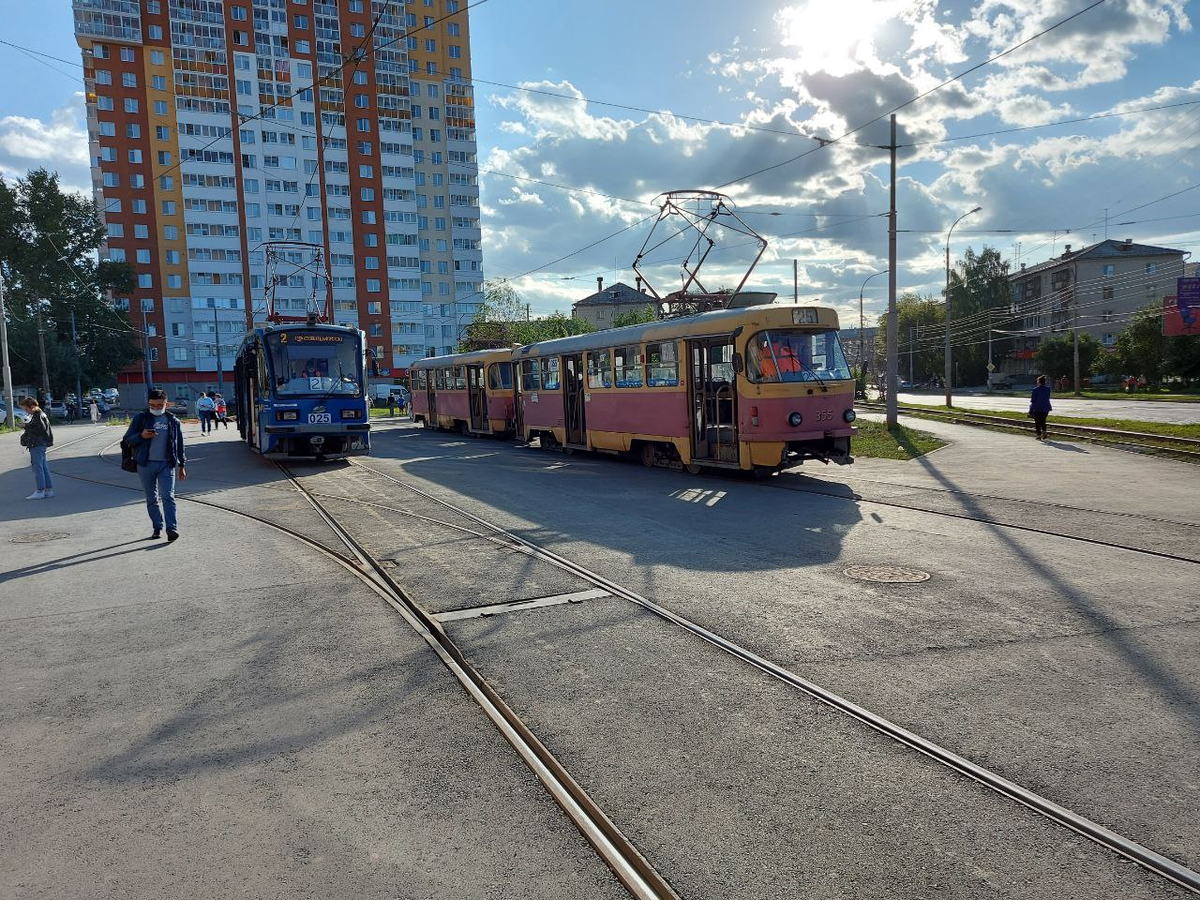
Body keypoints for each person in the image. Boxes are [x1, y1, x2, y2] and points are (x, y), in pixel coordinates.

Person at [123, 389, 187, 541]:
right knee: (151, 498)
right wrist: (141, 436)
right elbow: (127, 440)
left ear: (166, 403)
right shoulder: (140, 418)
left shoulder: (173, 421)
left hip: (167, 464)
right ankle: (157, 527)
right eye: (153, 405)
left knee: (168, 496)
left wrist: (182, 465)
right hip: (145, 465)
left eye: (160, 405)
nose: (156, 408)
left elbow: (180, 444)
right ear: (148, 403)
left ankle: (172, 529)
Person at [19, 397, 55, 499]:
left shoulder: (37, 415)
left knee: (38, 468)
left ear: (32, 407)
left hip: (37, 444)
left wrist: (25, 426)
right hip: (41, 444)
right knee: (43, 467)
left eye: (26, 409)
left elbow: (39, 429)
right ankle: (48, 490)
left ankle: (40, 491)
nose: (26, 411)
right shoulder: (40, 414)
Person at [1029, 375, 1053, 441]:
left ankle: (1038, 435)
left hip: (1037, 407)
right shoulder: (1048, 389)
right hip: (1046, 407)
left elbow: (1033, 400)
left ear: (1038, 382)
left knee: (1037, 422)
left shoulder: (1035, 390)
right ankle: (1044, 432)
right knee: (1043, 421)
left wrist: (1031, 409)